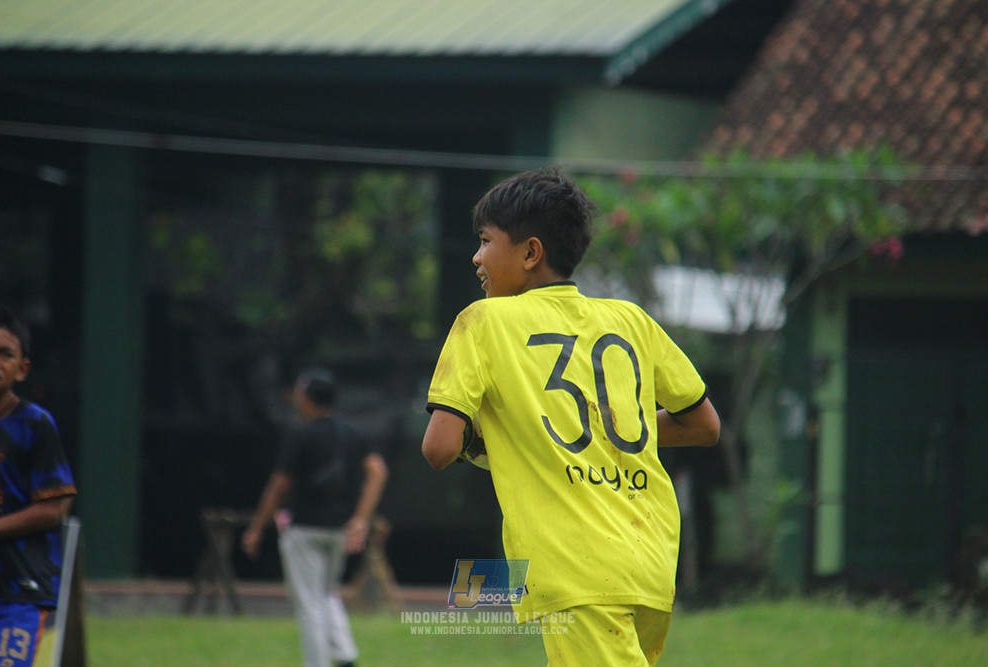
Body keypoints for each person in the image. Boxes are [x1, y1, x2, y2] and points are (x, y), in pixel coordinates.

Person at [421, 169, 720, 666]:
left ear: (530, 252)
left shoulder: (482, 322)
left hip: (575, 568)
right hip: (649, 560)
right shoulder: (632, 320)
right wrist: (608, 433)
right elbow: (704, 426)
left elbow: (439, 447)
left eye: (485, 241)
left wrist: (490, 441)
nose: (476, 257)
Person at [242, 368, 388, 667]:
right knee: (326, 593)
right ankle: (345, 656)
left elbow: (279, 486)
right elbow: (378, 472)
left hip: (304, 529)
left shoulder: (302, 434)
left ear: (306, 398)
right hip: (340, 529)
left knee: (309, 603)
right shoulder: (352, 434)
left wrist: (256, 528)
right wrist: (361, 518)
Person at [0, 306, 77, 667]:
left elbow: (54, 508)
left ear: (22, 368)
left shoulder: (34, 425)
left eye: (5, 354)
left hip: (17, 591)